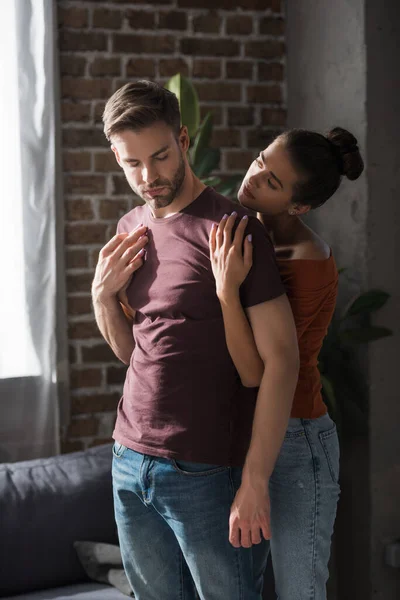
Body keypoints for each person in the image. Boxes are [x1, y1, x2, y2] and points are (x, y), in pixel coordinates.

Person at [91, 80, 299, 600]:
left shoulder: (232, 229)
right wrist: (101, 296)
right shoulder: (130, 228)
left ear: (183, 139)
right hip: (129, 460)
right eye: (132, 164)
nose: (148, 176)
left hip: (207, 471)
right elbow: (133, 351)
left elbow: (281, 363)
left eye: (159, 157)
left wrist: (254, 482)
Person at [209, 126, 364, 599]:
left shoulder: (306, 260)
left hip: (298, 439)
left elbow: (257, 366)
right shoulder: (239, 231)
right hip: (244, 435)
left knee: (300, 591)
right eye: (260, 160)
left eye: (273, 181)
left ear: (300, 207)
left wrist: (226, 293)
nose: (254, 177)